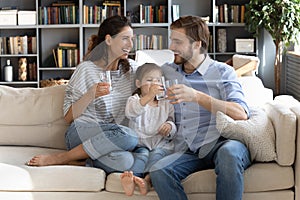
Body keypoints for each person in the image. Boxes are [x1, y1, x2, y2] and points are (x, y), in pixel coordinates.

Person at [149, 15, 251, 200]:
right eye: (171, 40)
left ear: (196, 45)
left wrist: (197, 97)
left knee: (230, 154)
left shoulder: (222, 72)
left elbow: (241, 113)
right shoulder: (167, 71)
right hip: (188, 149)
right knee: (159, 170)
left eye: (177, 42)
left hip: (222, 143)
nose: (171, 47)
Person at [27, 15, 139, 174]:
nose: (130, 44)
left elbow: (153, 79)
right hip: (83, 131)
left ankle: (79, 161)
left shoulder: (133, 70)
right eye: (125, 39)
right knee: (130, 136)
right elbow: (68, 117)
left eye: (132, 39)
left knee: (125, 161)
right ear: (108, 40)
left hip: (112, 136)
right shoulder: (86, 69)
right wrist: (91, 94)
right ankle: (62, 157)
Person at [120, 63, 176, 196]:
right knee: (141, 157)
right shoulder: (135, 100)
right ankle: (133, 179)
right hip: (141, 145)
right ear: (138, 83)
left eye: (158, 80)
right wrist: (149, 96)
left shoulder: (166, 103)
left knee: (157, 157)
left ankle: (146, 180)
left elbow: (173, 121)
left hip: (161, 145)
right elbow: (131, 112)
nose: (154, 84)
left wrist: (169, 127)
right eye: (149, 80)